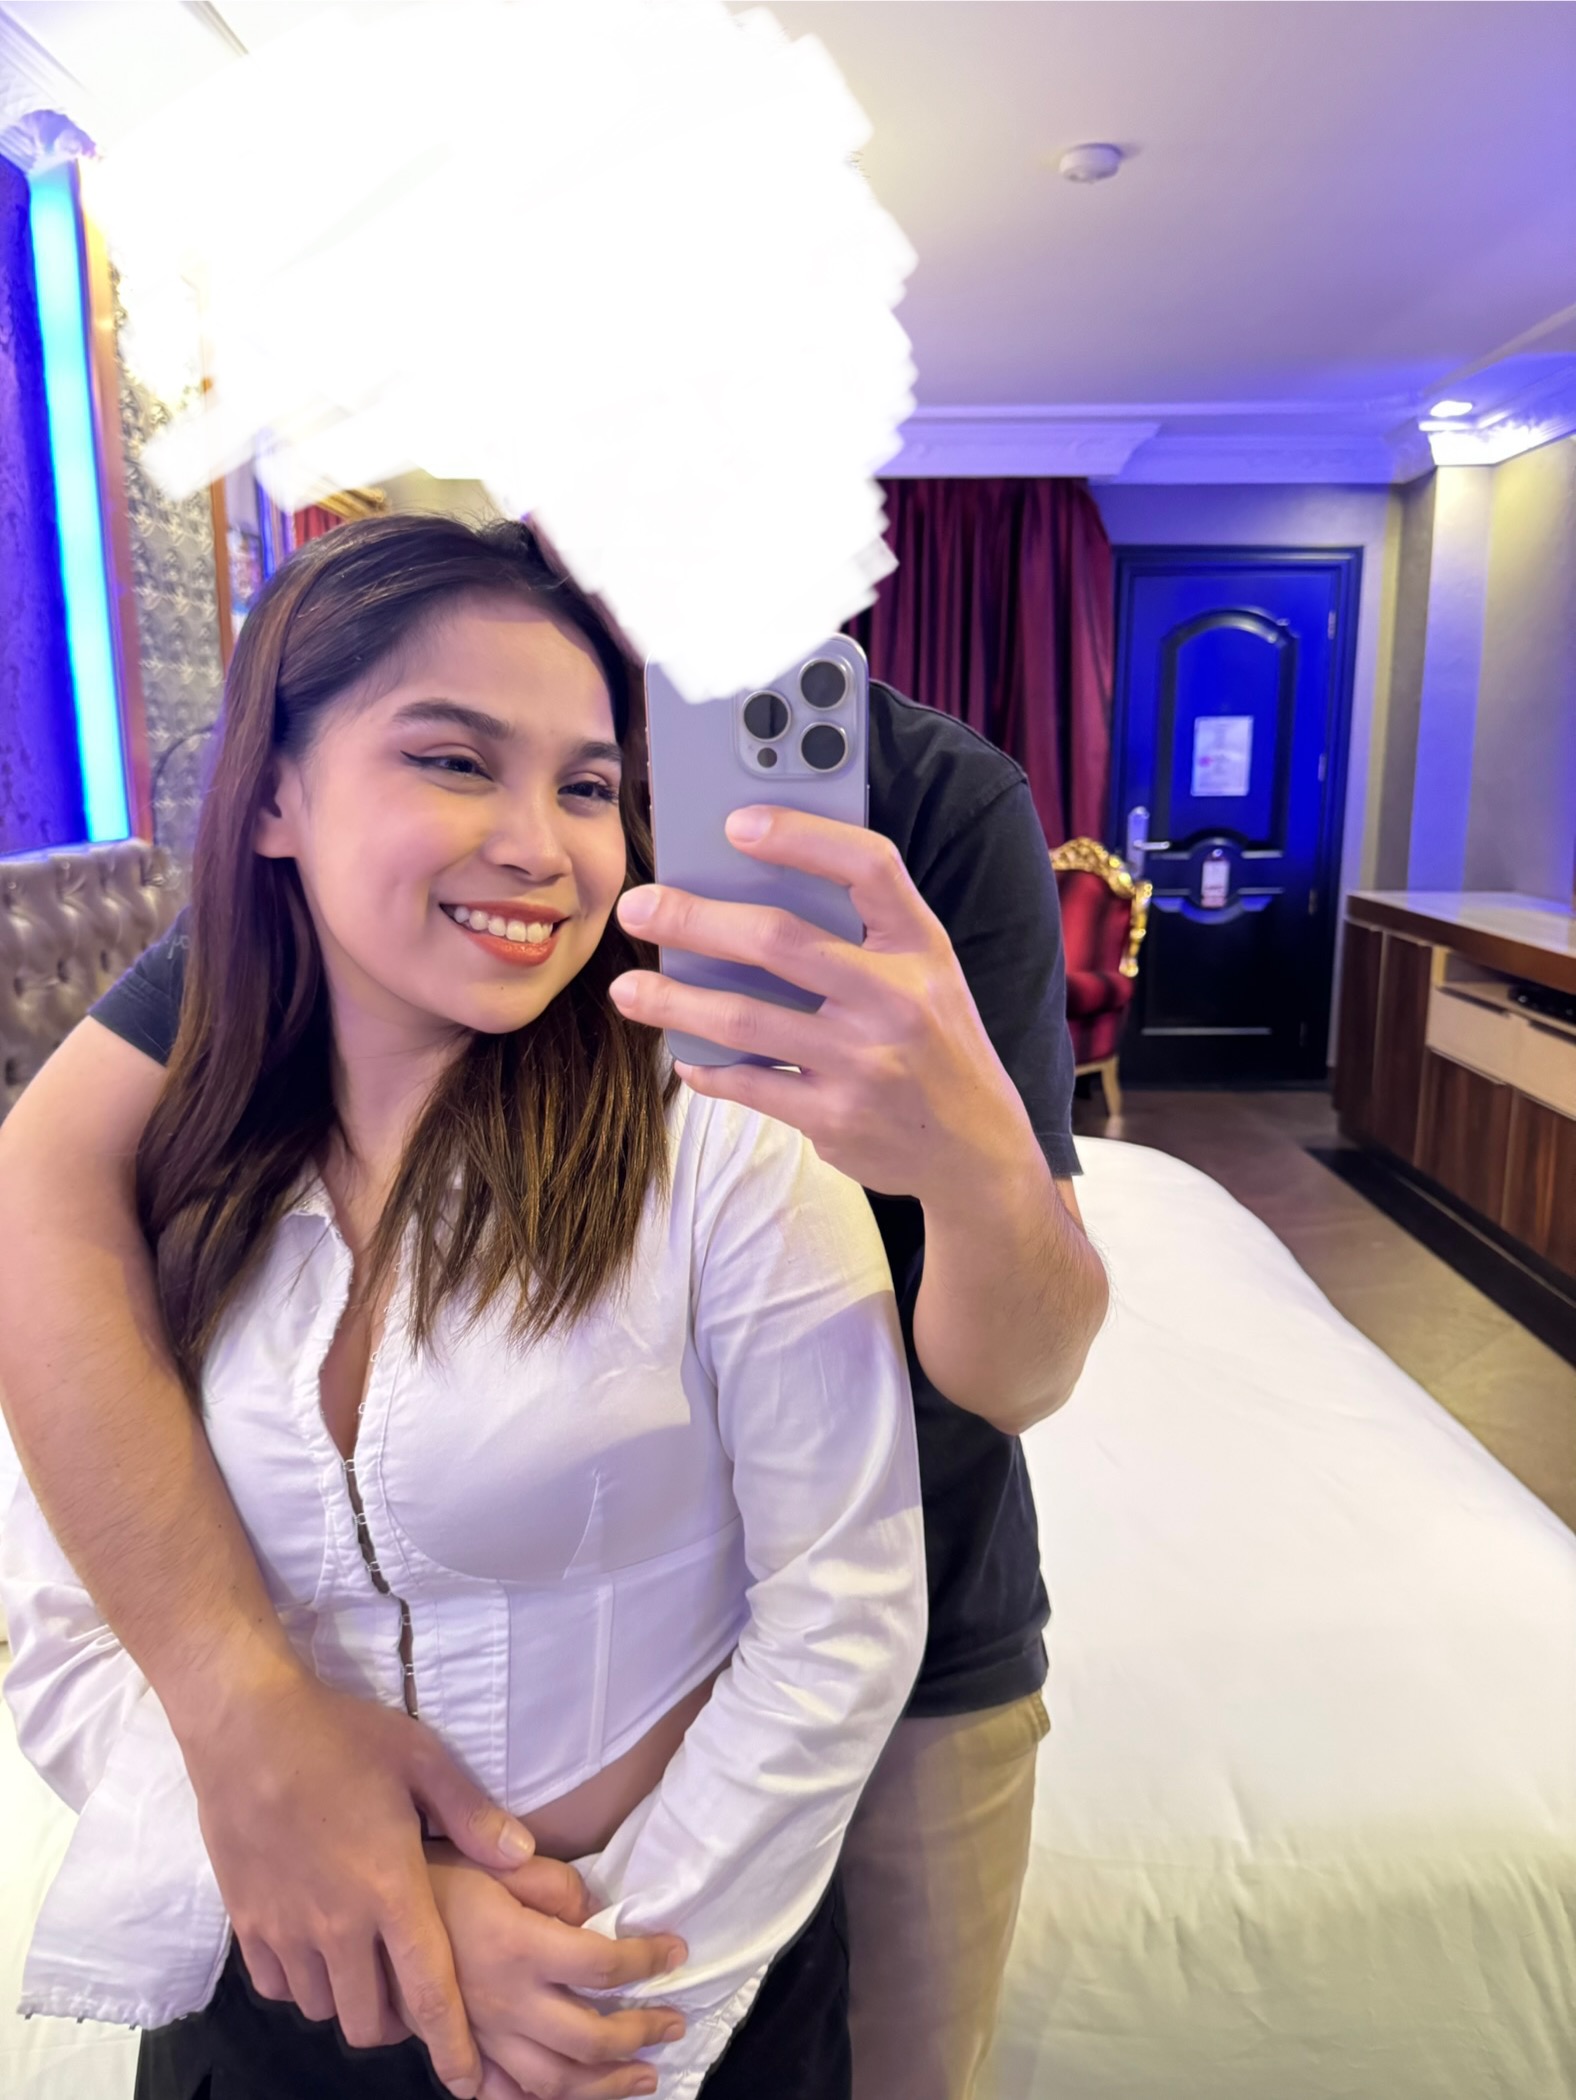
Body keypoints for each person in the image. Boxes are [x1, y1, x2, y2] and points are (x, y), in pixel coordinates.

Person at [0, 525, 1110, 2100]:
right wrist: (301, 1791)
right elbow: (45, 1221)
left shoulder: (893, 858)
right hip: (292, 1963)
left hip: (881, 1622)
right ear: (274, 801)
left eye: (591, 788)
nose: (535, 843)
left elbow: (1009, 1388)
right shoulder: (221, 1118)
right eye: (459, 761)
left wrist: (975, 1161)